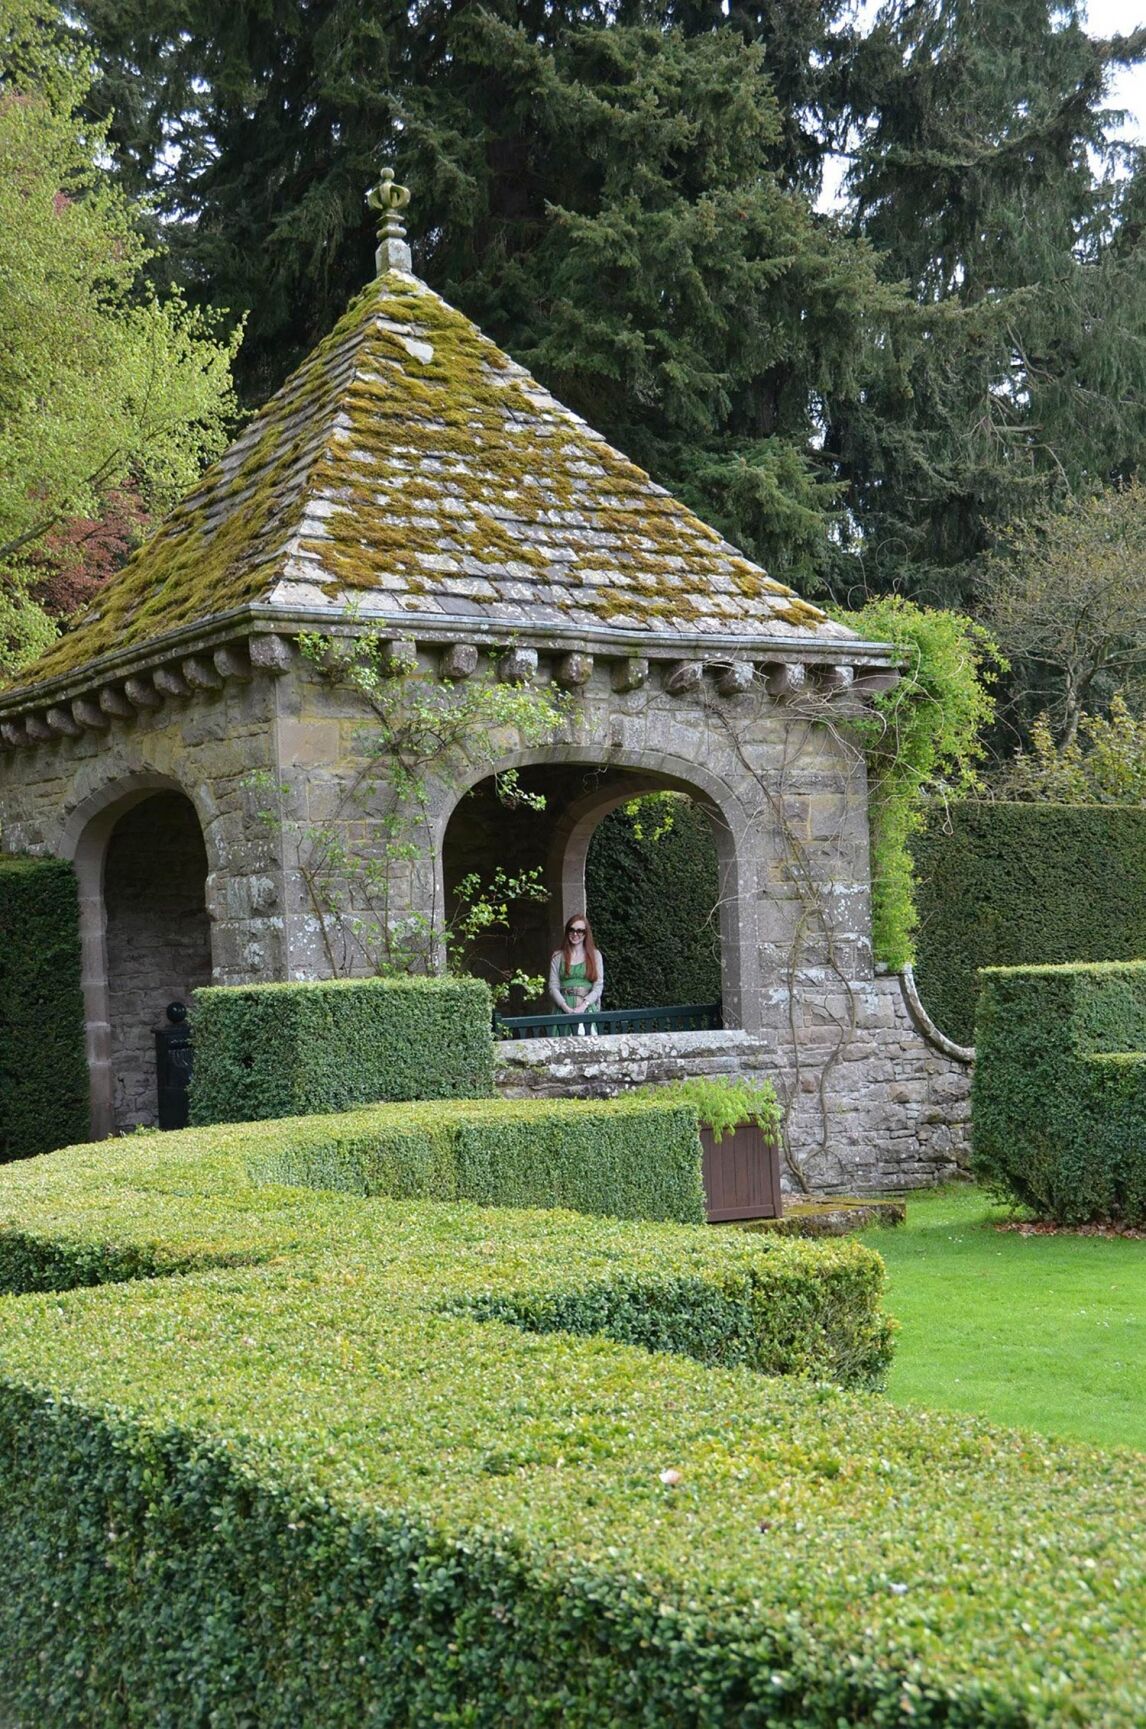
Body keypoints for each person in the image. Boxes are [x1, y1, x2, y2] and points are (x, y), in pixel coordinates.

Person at [549, 913, 604, 1028]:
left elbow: (598, 986)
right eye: (572, 929)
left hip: (587, 1010)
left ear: (586, 933)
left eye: (580, 931)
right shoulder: (557, 956)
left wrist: (583, 1006)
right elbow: (553, 986)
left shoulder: (595, 955)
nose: (575, 934)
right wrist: (566, 1008)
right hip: (563, 1010)